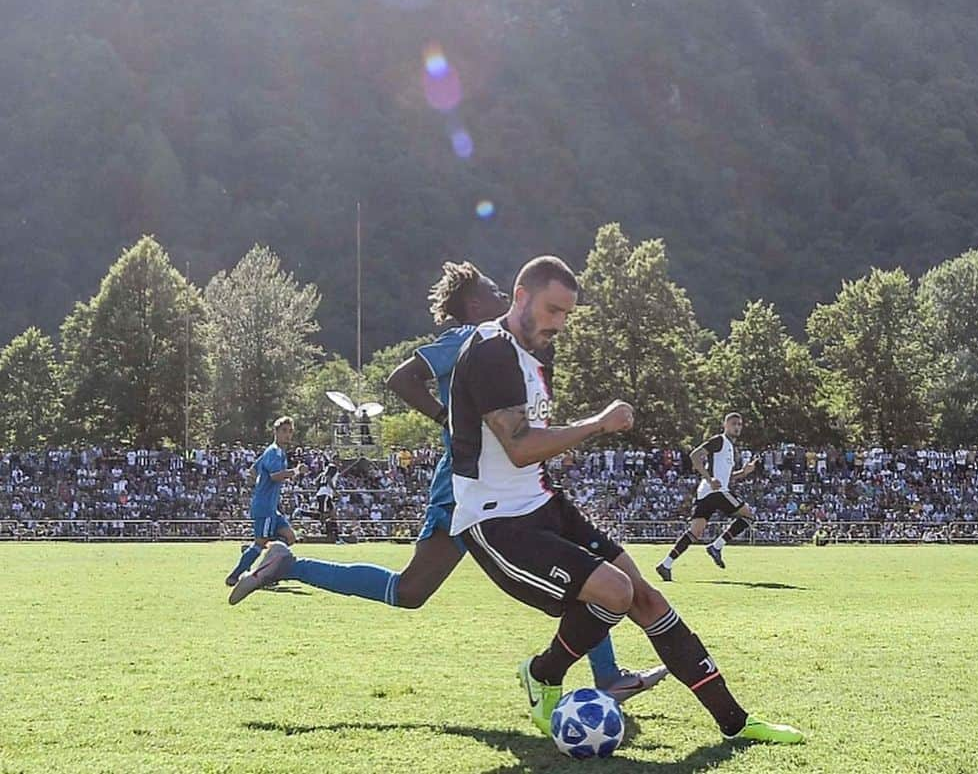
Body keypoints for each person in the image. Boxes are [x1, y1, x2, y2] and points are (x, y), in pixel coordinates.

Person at [227, 261, 665, 703]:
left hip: (490, 487)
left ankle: (289, 565)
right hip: (469, 488)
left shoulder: (507, 346)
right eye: (497, 290)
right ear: (476, 303)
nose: (506, 295)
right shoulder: (466, 340)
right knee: (437, 586)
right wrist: (448, 418)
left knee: (414, 590)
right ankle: (603, 676)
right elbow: (401, 378)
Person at [448, 255, 803, 743]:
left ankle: (736, 722)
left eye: (568, 315)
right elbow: (518, 445)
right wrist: (597, 423)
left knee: (646, 595)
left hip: (544, 504)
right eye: (553, 310)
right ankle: (544, 674)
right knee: (615, 592)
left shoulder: (535, 353)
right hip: (496, 521)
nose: (560, 324)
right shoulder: (491, 351)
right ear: (521, 297)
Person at [656, 413, 759, 580]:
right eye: (734, 424)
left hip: (706, 492)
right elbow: (695, 455)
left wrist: (743, 473)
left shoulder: (731, 449)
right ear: (725, 425)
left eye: (740, 424)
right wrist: (709, 478)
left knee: (695, 532)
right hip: (715, 491)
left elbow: (727, 476)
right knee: (748, 516)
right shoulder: (719, 440)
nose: (737, 427)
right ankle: (716, 546)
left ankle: (666, 564)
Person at [224, 416, 307, 591]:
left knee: (290, 537)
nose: (288, 434)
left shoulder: (274, 452)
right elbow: (275, 475)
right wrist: (296, 471)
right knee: (262, 542)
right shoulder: (275, 451)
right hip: (265, 506)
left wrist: (259, 485)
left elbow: (252, 471)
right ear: (275, 432)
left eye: (290, 431)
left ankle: (254, 554)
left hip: (270, 507)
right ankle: (236, 576)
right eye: (284, 431)